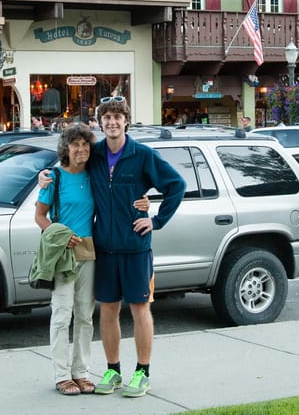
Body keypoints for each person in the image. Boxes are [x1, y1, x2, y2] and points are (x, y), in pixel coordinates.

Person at [43, 98, 185, 398]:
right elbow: (68, 167)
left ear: (126, 121)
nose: (112, 122)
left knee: (139, 309)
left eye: (117, 117)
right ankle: (113, 369)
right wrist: (46, 175)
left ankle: (142, 373)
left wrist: (156, 220)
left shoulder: (143, 155)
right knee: (106, 311)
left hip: (135, 248)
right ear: (101, 122)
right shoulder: (93, 155)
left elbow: (177, 185)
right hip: (102, 249)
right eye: (107, 117)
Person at [35, 124, 151, 397]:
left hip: (90, 252)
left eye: (85, 145)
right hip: (63, 254)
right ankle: (62, 376)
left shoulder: (94, 175)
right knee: (62, 315)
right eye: (75, 145)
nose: (81, 149)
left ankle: (82, 372)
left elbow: (120, 193)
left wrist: (145, 200)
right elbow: (40, 216)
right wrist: (59, 235)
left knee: (85, 316)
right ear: (66, 148)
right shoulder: (54, 177)